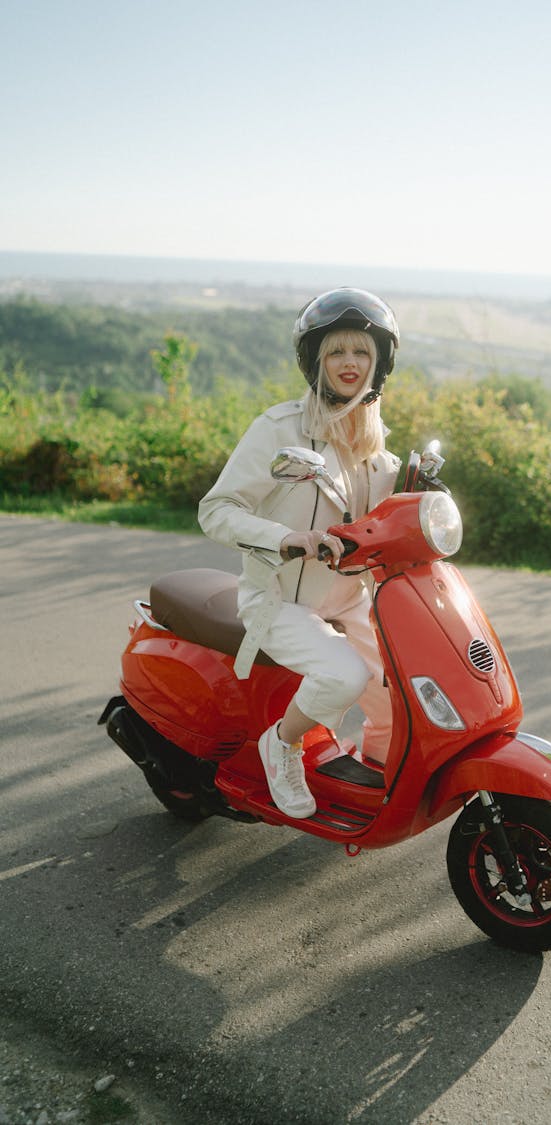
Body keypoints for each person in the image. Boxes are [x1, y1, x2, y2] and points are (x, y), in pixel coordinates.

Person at [198, 288, 401, 820]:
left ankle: (380, 775)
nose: (350, 363)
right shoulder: (279, 428)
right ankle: (281, 745)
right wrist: (283, 538)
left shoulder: (376, 447)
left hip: (352, 597)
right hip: (281, 598)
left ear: (378, 363)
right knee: (344, 676)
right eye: (337, 352)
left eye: (362, 352)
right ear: (316, 360)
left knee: (400, 687)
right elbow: (216, 509)